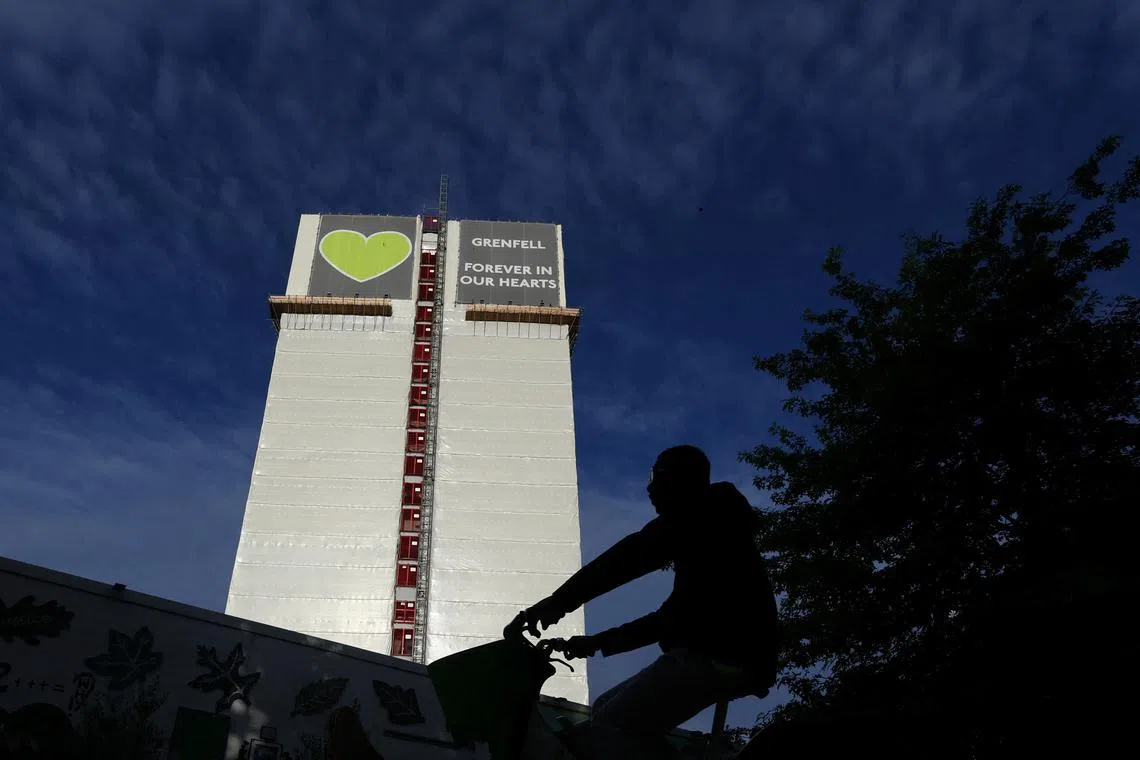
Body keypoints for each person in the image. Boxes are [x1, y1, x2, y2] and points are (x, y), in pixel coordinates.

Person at [504, 445, 780, 759]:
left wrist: (555, 604)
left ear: (682, 480)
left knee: (611, 725)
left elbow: (627, 559)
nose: (649, 487)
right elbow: (668, 619)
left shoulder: (701, 516)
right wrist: (595, 643)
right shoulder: (713, 541)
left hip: (721, 657)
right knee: (604, 708)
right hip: (722, 654)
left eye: (657, 476)